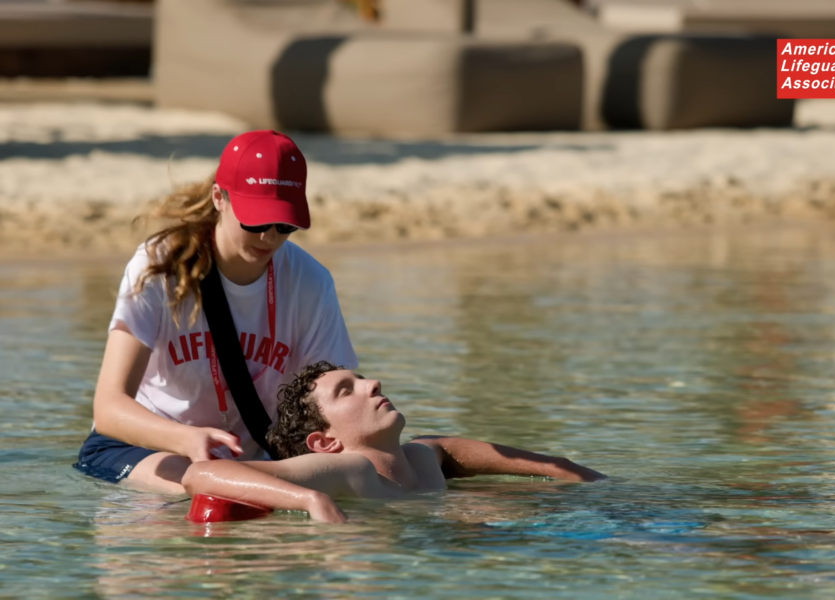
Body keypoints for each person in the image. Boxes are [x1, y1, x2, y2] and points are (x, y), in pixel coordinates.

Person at [74, 130, 357, 522]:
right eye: (257, 220)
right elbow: (109, 409)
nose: (269, 238)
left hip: (249, 456)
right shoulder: (160, 265)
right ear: (219, 198)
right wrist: (186, 438)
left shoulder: (311, 280)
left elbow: (333, 400)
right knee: (218, 501)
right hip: (144, 448)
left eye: (284, 225)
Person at [181, 361, 605, 509]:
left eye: (362, 379)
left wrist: (603, 487)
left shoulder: (424, 458)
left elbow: (550, 467)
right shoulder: (345, 469)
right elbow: (200, 475)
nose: (374, 384)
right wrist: (310, 498)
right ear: (325, 441)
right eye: (346, 390)